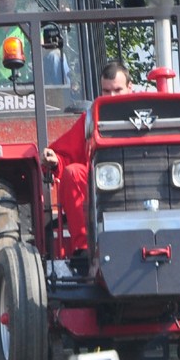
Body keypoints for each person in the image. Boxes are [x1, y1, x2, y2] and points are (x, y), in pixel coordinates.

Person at [42, 61, 133, 255]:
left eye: (117, 90)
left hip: (140, 180)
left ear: (130, 87)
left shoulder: (149, 114)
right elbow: (66, 154)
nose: (111, 96)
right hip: (103, 182)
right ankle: (85, 250)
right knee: (73, 173)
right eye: (106, 91)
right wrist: (56, 161)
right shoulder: (90, 119)